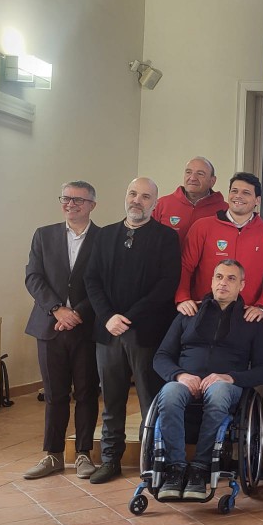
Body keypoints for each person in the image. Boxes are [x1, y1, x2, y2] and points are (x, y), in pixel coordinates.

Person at [84, 177, 181, 483]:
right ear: (126, 197)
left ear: (155, 202)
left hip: (147, 333)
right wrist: (108, 316)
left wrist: (129, 317)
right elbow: (92, 280)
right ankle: (110, 460)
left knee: (150, 401)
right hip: (108, 332)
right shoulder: (104, 235)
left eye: (146, 196)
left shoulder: (167, 238)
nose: (137, 200)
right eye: (133, 194)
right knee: (111, 401)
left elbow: (166, 286)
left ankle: (150, 463)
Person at [152, 260, 263, 499]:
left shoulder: (252, 322)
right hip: (186, 381)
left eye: (230, 278)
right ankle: (175, 467)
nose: (223, 283)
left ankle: (200, 467)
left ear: (242, 285)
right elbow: (161, 357)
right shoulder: (189, 312)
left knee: (217, 392)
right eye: (219, 277)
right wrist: (180, 375)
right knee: (169, 393)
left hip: (227, 386)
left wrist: (230, 377)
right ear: (211, 280)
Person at [23, 181, 101, 480]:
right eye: (66, 199)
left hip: (86, 328)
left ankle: (83, 454)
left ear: (92, 204)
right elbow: (33, 277)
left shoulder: (103, 238)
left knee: (86, 393)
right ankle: (52, 455)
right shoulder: (43, 235)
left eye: (79, 200)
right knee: (55, 394)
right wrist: (57, 309)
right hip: (49, 325)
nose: (71, 204)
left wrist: (77, 312)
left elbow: (104, 281)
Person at [176, 172, 263, 324]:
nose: (238, 196)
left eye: (246, 193)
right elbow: (185, 266)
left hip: (245, 316)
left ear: (257, 200)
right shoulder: (202, 227)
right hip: (203, 312)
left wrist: (261, 306)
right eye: (234, 191)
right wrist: (182, 298)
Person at [152, 157, 228, 244]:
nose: (192, 178)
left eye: (200, 174)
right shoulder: (162, 204)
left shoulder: (225, 210)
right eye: (188, 172)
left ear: (212, 181)